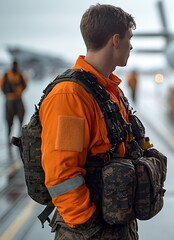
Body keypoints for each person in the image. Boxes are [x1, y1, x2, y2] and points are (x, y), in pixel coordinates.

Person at [39, 4, 140, 239]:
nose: (131, 45)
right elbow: (62, 174)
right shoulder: (71, 96)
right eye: (129, 38)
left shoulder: (109, 91)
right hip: (89, 230)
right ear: (116, 40)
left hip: (114, 224)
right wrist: (90, 226)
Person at [0, 60, 28, 146]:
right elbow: (1, 85)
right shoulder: (5, 75)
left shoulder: (21, 75)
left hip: (18, 99)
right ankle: (8, 138)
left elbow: (25, 84)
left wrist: (20, 92)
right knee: (9, 120)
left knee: (21, 117)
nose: (14, 67)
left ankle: (19, 136)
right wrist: (7, 95)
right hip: (10, 101)